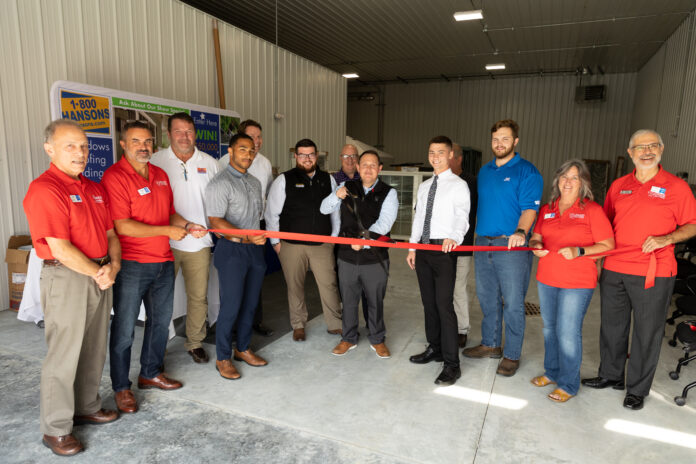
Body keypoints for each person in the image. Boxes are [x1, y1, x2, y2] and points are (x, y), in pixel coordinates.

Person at [23, 119, 121, 456]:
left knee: (93, 347)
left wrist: (114, 266)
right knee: (64, 354)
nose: (80, 153)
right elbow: (60, 248)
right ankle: (56, 428)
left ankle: (87, 406)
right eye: (70, 146)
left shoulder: (92, 188)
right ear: (49, 149)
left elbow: (111, 235)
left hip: (98, 272)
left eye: (83, 146)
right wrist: (99, 272)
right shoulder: (45, 189)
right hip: (67, 276)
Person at [582, 130, 696, 410]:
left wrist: (666, 238)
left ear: (662, 149)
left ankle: (637, 389)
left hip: (654, 273)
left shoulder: (676, 187)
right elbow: (604, 227)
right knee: (612, 327)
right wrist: (595, 259)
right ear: (630, 152)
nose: (647, 151)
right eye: (640, 147)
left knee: (647, 333)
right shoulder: (619, 185)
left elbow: (692, 224)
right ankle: (611, 375)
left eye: (652, 146)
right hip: (615, 268)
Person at [101, 121, 208, 414]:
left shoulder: (160, 175)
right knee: (124, 329)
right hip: (133, 265)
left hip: (163, 261)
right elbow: (122, 225)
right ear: (123, 144)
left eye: (148, 141)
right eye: (136, 141)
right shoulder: (114, 177)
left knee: (160, 323)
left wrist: (186, 225)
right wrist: (165, 232)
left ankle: (150, 373)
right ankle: (121, 387)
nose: (143, 146)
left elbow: (169, 213)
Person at [529, 160, 614, 402]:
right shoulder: (548, 209)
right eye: (564, 176)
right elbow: (536, 236)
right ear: (557, 180)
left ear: (583, 182)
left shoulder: (592, 211)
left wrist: (580, 251)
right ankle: (552, 372)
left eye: (574, 177)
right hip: (547, 277)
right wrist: (535, 246)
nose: (568, 181)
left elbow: (608, 246)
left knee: (567, 332)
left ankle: (568, 384)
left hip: (577, 283)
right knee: (549, 329)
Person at [463, 119, 543, 377]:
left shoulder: (527, 171)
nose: (500, 144)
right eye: (496, 139)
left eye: (505, 139)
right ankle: (491, 344)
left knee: (513, 303)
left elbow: (530, 208)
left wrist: (521, 232)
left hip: (510, 246)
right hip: (482, 241)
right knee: (487, 298)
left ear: (515, 142)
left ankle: (511, 355)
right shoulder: (485, 171)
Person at [150, 112, 219, 364]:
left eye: (189, 131)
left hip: (199, 243)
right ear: (168, 134)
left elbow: (217, 202)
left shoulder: (209, 163)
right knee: (160, 298)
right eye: (178, 131)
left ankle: (194, 341)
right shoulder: (156, 162)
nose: (184, 136)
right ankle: (159, 344)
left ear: (195, 134)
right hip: (163, 242)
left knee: (198, 296)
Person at [320, 150, 398, 358]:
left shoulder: (389, 193)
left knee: (375, 300)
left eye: (373, 165)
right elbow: (323, 209)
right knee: (349, 299)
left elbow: (384, 224)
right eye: (364, 164)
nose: (368, 169)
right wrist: (336, 196)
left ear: (380, 168)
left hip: (375, 258)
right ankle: (348, 338)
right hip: (347, 257)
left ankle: (377, 338)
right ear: (357, 167)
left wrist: (362, 243)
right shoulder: (345, 187)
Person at [407, 136, 470, 386]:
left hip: (444, 252)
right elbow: (418, 218)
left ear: (451, 155)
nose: (435, 157)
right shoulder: (424, 186)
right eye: (432, 152)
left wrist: (454, 238)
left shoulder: (458, 185)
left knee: (444, 306)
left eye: (441, 153)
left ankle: (452, 365)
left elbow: (462, 217)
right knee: (428, 303)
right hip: (422, 250)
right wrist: (412, 247)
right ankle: (435, 348)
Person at [265, 138, 343, 341]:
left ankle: (335, 323)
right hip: (292, 246)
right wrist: (275, 242)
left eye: (310, 155)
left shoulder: (328, 180)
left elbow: (335, 212)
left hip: (322, 244)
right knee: (295, 286)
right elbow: (272, 214)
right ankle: (298, 324)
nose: (307, 159)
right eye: (302, 155)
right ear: (296, 157)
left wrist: (332, 239)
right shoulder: (283, 180)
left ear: (316, 156)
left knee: (329, 284)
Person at [206, 133, 268, 379]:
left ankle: (242, 348)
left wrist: (254, 240)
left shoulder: (254, 182)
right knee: (231, 306)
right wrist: (245, 237)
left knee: (250, 304)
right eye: (243, 149)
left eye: (252, 151)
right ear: (230, 152)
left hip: (255, 250)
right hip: (232, 251)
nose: (248, 155)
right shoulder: (219, 183)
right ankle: (223, 357)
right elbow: (216, 222)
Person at [219, 120, 275, 336]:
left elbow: (268, 193)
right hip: (233, 229)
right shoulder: (224, 162)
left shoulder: (265, 163)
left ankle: (255, 322)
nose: (257, 141)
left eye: (259, 137)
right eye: (252, 137)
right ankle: (232, 327)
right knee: (234, 281)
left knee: (256, 276)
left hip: (257, 227)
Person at [449, 143, 478, 348]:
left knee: (458, 288)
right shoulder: (437, 180)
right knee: (441, 289)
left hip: (462, 246)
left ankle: (461, 329)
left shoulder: (471, 182)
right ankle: (445, 326)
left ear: (458, 159)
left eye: (447, 155)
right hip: (437, 247)